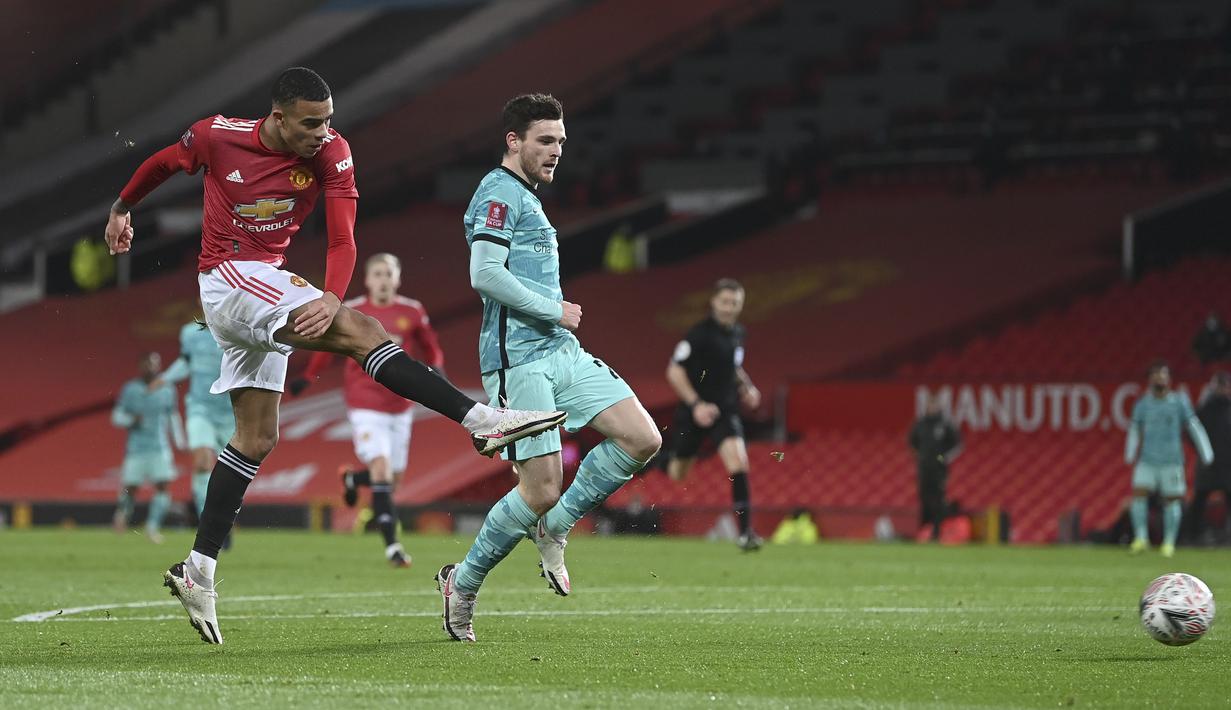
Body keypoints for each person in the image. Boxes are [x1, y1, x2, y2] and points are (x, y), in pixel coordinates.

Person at [103, 67, 565, 645]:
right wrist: (123, 207)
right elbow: (166, 161)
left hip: (263, 283)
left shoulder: (333, 152)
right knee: (362, 329)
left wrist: (329, 295)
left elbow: (344, 240)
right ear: (277, 118)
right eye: (309, 123)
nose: (323, 132)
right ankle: (480, 421)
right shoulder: (219, 136)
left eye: (327, 120)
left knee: (256, 437)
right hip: (226, 277)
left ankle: (198, 570)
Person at [433, 93, 662, 642]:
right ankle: (462, 584)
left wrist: (555, 319)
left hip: (561, 351)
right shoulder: (497, 192)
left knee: (642, 438)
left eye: (560, 140)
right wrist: (552, 307)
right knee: (538, 488)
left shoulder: (527, 197)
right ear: (513, 141)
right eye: (545, 140)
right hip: (520, 361)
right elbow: (484, 274)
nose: (557, 150)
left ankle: (554, 530)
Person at [290, 252, 444, 568]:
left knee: (392, 479)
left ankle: (352, 479)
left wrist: (438, 372)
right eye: (378, 274)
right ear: (367, 279)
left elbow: (431, 348)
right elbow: (325, 345)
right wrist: (307, 377)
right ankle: (393, 547)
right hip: (364, 403)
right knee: (383, 468)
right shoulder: (354, 311)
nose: (383, 280)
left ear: (397, 279)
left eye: (388, 274)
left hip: (400, 405)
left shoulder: (412, 311)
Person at [663, 278, 764, 551]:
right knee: (677, 473)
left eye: (735, 303)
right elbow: (674, 370)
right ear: (714, 302)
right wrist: (696, 405)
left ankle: (745, 534)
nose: (729, 308)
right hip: (695, 410)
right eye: (725, 302)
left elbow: (733, 367)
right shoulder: (699, 334)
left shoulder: (737, 333)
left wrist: (747, 387)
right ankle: (661, 459)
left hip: (725, 410)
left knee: (739, 464)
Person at [150, 314, 235, 530]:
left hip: (231, 410)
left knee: (232, 472)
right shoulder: (190, 332)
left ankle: (224, 518)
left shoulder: (237, 327)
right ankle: (208, 523)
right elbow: (186, 362)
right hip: (200, 407)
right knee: (202, 462)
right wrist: (166, 378)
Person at [1125, 360, 1213, 557]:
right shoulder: (1143, 404)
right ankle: (1141, 538)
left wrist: (1206, 452)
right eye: (1156, 375)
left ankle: (1169, 542)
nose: (1159, 378)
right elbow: (1134, 429)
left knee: (1172, 501)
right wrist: (1130, 453)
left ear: (1169, 379)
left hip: (1172, 460)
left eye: (1163, 375)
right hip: (1147, 459)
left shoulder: (1179, 402)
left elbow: (1193, 426)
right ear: (1149, 379)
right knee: (1139, 496)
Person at [112, 352, 184, 544]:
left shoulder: (167, 389)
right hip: (136, 448)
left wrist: (180, 441)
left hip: (160, 447)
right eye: (148, 363)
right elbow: (117, 415)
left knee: (163, 485)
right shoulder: (130, 389)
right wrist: (130, 420)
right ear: (141, 365)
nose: (151, 367)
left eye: (155, 363)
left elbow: (172, 416)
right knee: (131, 487)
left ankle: (152, 528)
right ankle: (121, 518)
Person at [1186, 371, 1231, 543]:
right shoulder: (1204, 409)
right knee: (1199, 501)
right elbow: (1190, 432)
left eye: (1226, 386)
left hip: (1228, 465)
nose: (1224, 389)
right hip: (1208, 465)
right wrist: (1204, 452)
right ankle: (1191, 536)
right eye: (1221, 385)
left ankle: (1228, 538)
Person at [908, 399, 962, 541]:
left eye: (934, 405)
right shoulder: (920, 424)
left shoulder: (945, 424)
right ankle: (923, 531)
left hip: (939, 469)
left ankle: (937, 532)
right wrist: (921, 457)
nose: (931, 408)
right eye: (930, 405)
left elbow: (957, 444)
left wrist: (942, 457)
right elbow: (912, 443)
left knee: (938, 500)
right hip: (924, 468)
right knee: (924, 499)